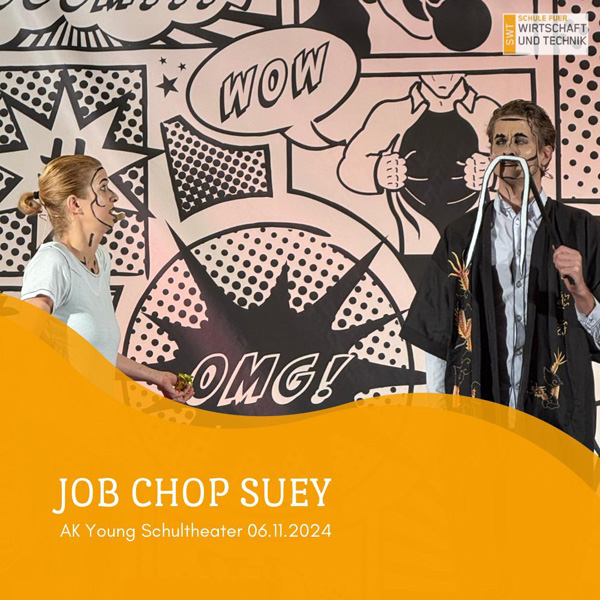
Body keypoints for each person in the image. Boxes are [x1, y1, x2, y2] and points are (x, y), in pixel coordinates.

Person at [401, 99, 600, 449]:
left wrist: (582, 293)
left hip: (558, 423)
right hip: (479, 424)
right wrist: (438, 416)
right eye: (500, 140)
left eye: (521, 140)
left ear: (545, 154)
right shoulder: (462, 235)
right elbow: (438, 336)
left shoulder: (581, 231)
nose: (508, 150)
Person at [18, 154, 193, 404]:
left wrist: (156, 377)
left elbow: (96, 353)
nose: (114, 196)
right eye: (102, 187)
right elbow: (22, 344)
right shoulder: (53, 261)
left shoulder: (101, 258)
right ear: (75, 204)